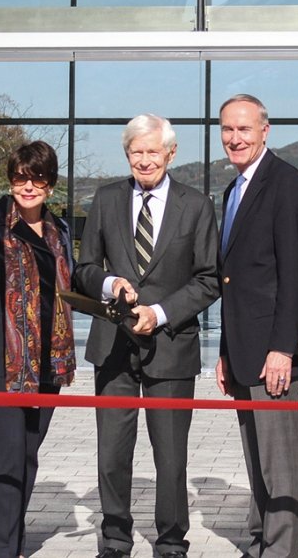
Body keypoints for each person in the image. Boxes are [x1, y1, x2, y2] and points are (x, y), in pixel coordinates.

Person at [73, 114, 220, 558]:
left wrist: (158, 313)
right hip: (113, 346)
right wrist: (109, 284)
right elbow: (83, 268)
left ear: (170, 154)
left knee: (171, 458)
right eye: (136, 151)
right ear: (127, 154)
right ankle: (115, 538)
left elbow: (209, 278)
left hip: (171, 346)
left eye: (153, 151)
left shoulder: (196, 205)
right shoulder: (105, 198)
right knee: (111, 455)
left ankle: (172, 542)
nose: (144, 159)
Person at [0, 141, 76, 558]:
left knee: (27, 454)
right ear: (11, 179)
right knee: (7, 454)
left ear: (50, 184)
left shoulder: (61, 231)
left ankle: (16, 542)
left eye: (37, 177)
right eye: (21, 176)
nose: (28, 185)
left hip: (46, 365)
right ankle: (4, 549)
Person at [213, 95, 298, 558]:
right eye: (228, 129)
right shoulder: (233, 191)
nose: (235, 138)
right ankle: (259, 543)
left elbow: (295, 272)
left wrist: (284, 349)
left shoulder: (285, 182)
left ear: (265, 131)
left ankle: (280, 549)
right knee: (257, 460)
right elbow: (235, 280)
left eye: (245, 129)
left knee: (280, 462)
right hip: (244, 349)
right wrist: (227, 351)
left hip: (273, 352)